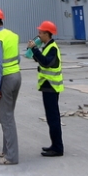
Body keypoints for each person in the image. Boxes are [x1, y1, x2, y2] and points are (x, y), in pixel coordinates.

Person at [0, 7, 21, 165]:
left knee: (6, 119)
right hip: (16, 76)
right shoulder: (12, 35)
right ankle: (7, 150)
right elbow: (18, 59)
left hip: (5, 79)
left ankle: (12, 157)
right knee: (8, 115)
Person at [28, 20, 63, 157]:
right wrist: (34, 51)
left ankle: (58, 148)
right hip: (47, 86)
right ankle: (54, 145)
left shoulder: (52, 48)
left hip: (52, 86)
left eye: (41, 33)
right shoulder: (47, 46)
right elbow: (42, 61)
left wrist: (35, 49)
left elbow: (47, 62)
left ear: (47, 34)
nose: (39, 36)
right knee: (50, 118)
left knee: (53, 118)